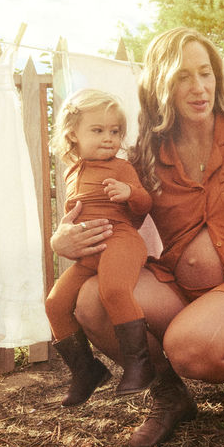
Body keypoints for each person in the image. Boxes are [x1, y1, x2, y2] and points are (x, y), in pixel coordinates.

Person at [50, 27, 224, 447]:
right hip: (180, 290)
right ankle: (170, 397)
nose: (198, 88)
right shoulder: (146, 154)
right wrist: (62, 240)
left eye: (205, 74)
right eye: (182, 77)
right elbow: (103, 210)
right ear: (161, 85)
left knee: (188, 348)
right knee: (90, 301)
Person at [45, 88, 155, 405]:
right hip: (89, 254)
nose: (109, 138)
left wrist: (129, 193)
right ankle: (86, 371)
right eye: (97, 130)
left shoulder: (121, 167)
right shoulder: (71, 172)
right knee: (55, 303)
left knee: (114, 289)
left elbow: (144, 204)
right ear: (72, 135)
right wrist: (65, 232)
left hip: (120, 239)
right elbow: (73, 214)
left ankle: (139, 364)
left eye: (115, 131)